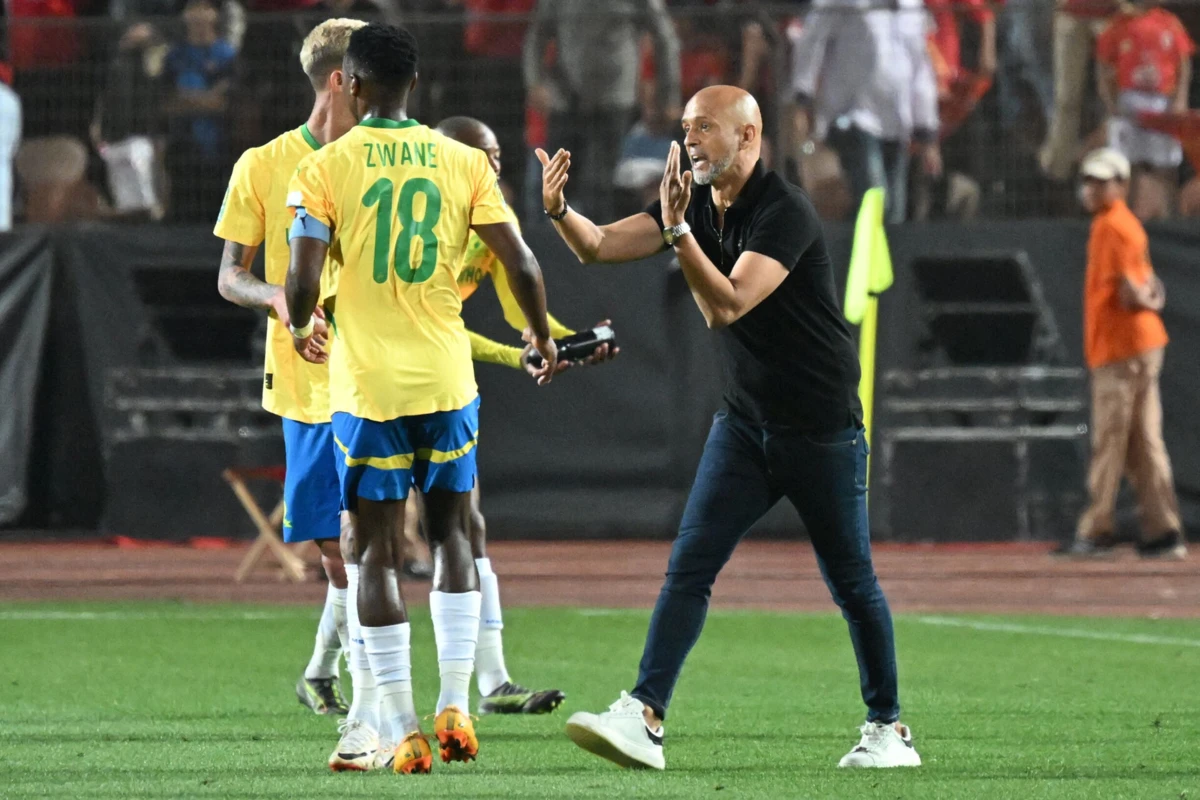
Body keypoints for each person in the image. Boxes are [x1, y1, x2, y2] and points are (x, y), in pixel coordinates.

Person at [540, 85, 920, 770]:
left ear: (748, 135)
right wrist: (559, 211)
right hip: (746, 423)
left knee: (852, 583)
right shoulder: (690, 203)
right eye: (686, 126)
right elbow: (596, 247)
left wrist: (678, 233)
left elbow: (729, 305)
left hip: (820, 427)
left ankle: (888, 729)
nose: (689, 139)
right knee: (690, 565)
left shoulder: (783, 209)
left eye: (705, 127)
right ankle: (645, 714)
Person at [285, 23, 559, 775]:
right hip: (446, 380)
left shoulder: (324, 166)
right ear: (415, 85)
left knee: (371, 551)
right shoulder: (463, 161)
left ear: (350, 85)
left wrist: (303, 324)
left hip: (368, 388)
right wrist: (539, 336)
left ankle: (403, 727)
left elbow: (303, 280)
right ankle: (457, 702)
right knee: (453, 537)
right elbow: (522, 263)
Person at [403, 114, 618, 716]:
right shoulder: (419, 223)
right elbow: (437, 325)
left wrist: (566, 342)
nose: (496, 167)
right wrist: (520, 355)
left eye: (499, 155)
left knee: (465, 522)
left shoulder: (492, 216)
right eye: (484, 155)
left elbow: (516, 311)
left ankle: (492, 681)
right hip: (375, 378)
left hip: (439, 378)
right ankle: (346, 683)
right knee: (364, 537)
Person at [213, 18, 366, 725]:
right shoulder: (263, 164)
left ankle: (360, 693)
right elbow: (229, 276)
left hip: (378, 377)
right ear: (340, 80)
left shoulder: (384, 160)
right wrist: (278, 297)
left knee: (363, 546)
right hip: (307, 387)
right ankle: (337, 678)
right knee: (339, 551)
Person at [1055, 147, 1186, 559]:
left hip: (1121, 348)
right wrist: (1154, 298)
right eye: (1089, 181)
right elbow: (1149, 285)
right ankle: (1164, 530)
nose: (1092, 189)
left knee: (1109, 441)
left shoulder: (1112, 226)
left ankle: (1096, 529)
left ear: (1122, 185)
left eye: (1102, 181)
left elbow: (1131, 292)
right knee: (1144, 442)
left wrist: (1149, 299)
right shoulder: (1124, 224)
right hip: (1140, 345)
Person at [1095, 0, 1195, 220]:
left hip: (1163, 102)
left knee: (1165, 165)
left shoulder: (1170, 23)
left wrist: (1180, 99)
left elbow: (1184, 62)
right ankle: (1124, 218)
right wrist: (1110, 101)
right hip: (1129, 102)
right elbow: (1103, 65)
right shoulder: (1117, 25)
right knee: (1125, 165)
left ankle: (1169, 220)